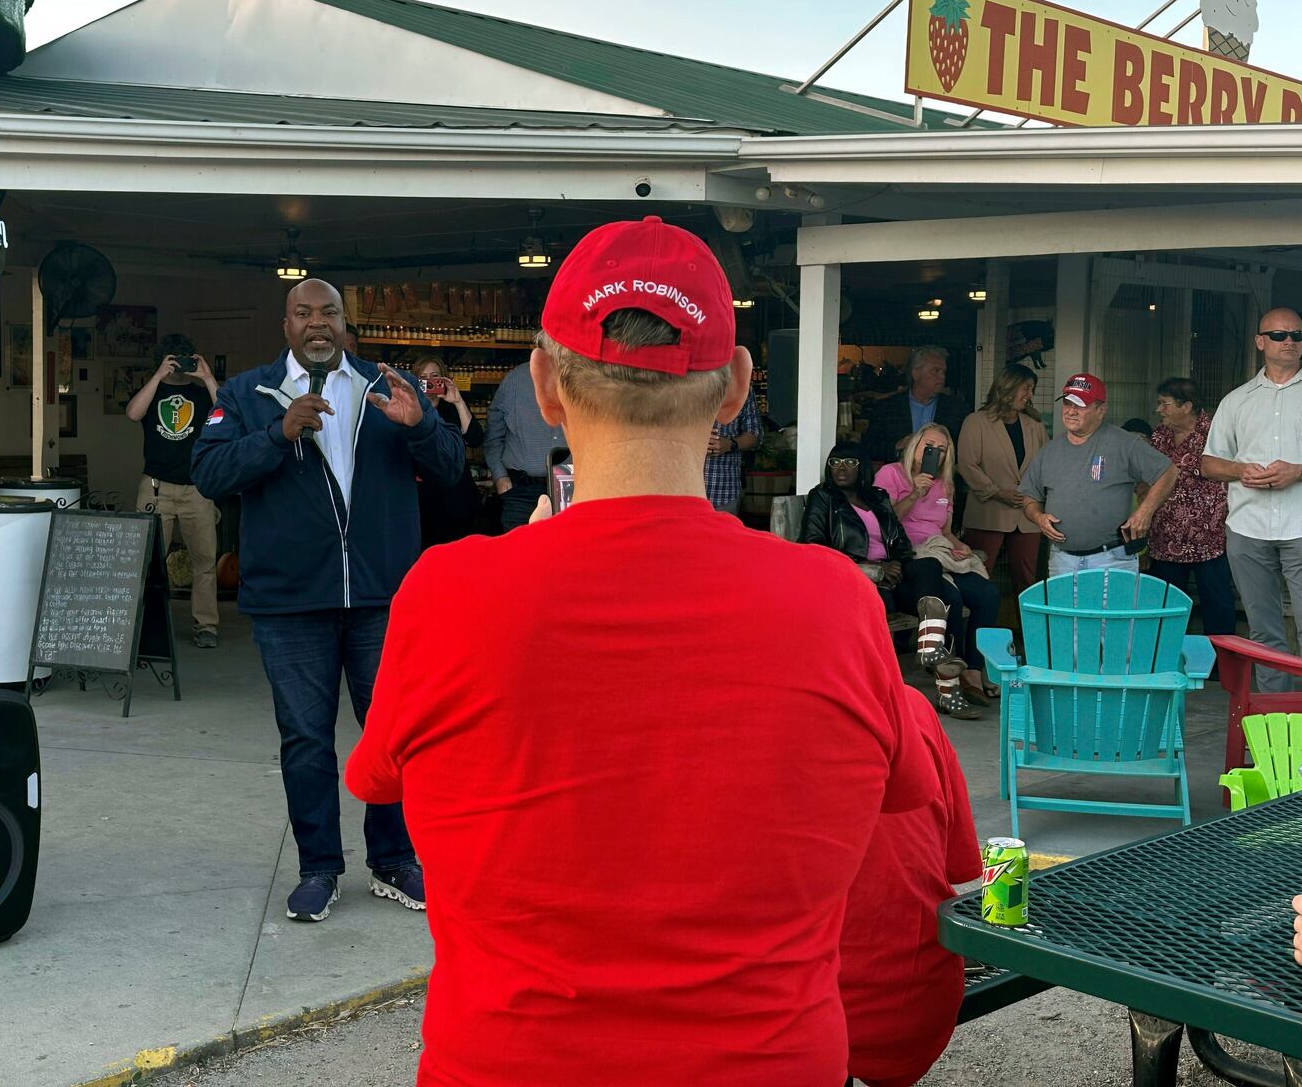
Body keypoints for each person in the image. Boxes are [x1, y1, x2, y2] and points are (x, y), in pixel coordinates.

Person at [346, 217, 938, 1086]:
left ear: (544, 384)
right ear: (735, 387)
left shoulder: (447, 595)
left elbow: (376, 778)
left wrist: (514, 574)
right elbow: (904, 794)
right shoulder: (836, 601)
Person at [191, 278, 465, 923]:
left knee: (391, 735)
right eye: (304, 313)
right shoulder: (248, 394)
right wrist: (277, 435)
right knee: (307, 739)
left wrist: (422, 425)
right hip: (291, 602)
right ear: (285, 326)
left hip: (381, 597)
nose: (318, 324)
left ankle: (394, 860)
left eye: (329, 314)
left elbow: (451, 470)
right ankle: (319, 868)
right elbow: (207, 473)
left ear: (346, 324)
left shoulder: (385, 386)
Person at [841, 687, 980, 1087]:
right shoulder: (911, 703)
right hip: (925, 997)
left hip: (814, 1016)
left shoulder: (726, 726)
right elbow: (960, 864)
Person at [802, 441, 981, 720]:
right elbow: (813, 547)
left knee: (929, 566)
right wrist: (873, 569)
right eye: (835, 462)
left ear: (863, 467)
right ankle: (947, 687)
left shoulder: (876, 497)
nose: (841, 469)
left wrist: (896, 561)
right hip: (859, 580)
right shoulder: (823, 497)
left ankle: (931, 647)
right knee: (937, 601)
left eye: (850, 463)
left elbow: (899, 540)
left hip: (893, 575)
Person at [1202, 308, 1302, 691]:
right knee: (1263, 628)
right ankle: (1277, 720)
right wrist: (1240, 471)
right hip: (1248, 526)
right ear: (1260, 342)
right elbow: (1209, 462)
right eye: (1278, 335)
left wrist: (1297, 470)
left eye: (1296, 335)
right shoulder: (1237, 400)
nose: (1289, 341)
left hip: (1299, 523)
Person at [875, 424, 1002, 706]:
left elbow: (944, 531)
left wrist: (960, 546)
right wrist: (914, 493)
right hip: (911, 556)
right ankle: (952, 680)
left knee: (987, 594)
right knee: (953, 597)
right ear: (914, 446)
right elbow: (882, 523)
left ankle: (973, 669)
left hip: (939, 551)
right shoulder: (891, 474)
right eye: (929, 446)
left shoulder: (945, 484)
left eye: (942, 449)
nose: (936, 453)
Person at [1020, 373, 1176, 578]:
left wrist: (1145, 512)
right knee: (1066, 612)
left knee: (1110, 612)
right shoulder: (1049, 451)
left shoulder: (1123, 443)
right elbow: (1029, 496)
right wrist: (1038, 517)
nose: (1071, 411)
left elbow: (1168, 471)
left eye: (1080, 405)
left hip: (1112, 559)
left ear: (1101, 411)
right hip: (1062, 560)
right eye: (1067, 403)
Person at [126, 334, 223, 648]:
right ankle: (143, 628)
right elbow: (133, 413)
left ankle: (206, 626)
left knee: (205, 560)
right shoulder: (154, 390)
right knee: (146, 562)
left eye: (184, 359)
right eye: (173, 359)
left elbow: (230, 414)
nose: (179, 365)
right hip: (156, 487)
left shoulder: (200, 393)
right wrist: (158, 375)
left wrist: (207, 377)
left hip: (197, 488)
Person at [1149, 377, 1237, 636]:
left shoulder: (1215, 432)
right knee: (1164, 603)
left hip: (1208, 535)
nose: (1159, 410)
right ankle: (1163, 661)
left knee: (1217, 602)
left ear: (1186, 405)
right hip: (1165, 535)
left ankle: (1219, 665)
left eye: (1164, 404)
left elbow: (1234, 471)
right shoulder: (1159, 435)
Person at [958, 363, 1046, 600]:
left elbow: (1046, 465)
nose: (1030, 395)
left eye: (1032, 389)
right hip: (988, 513)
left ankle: (1027, 635)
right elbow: (967, 465)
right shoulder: (976, 422)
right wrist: (996, 492)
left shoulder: (1034, 425)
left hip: (1028, 517)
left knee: (1028, 583)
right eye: (1026, 388)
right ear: (1008, 387)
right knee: (978, 577)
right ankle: (975, 635)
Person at [483, 359, 566, 531]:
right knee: (519, 553)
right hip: (522, 492)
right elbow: (493, 432)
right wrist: (500, 475)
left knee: (569, 551)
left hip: (571, 487)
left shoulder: (584, 375)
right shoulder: (516, 379)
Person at [411, 356, 484, 547]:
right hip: (423, 499)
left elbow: (475, 439)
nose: (429, 382)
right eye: (423, 377)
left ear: (444, 379)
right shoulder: (411, 410)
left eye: (435, 376)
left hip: (457, 497)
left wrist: (458, 401)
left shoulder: (452, 407)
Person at [862, 345, 969, 465]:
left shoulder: (956, 409)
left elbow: (965, 452)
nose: (942, 377)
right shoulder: (887, 407)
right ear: (915, 373)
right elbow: (868, 446)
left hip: (940, 480)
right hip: (898, 479)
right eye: (935, 371)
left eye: (944, 371)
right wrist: (897, 447)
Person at [703, 388, 761, 513]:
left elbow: (755, 435)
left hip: (724, 490)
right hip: (682, 491)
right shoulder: (681, 384)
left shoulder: (741, 388)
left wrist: (731, 444)